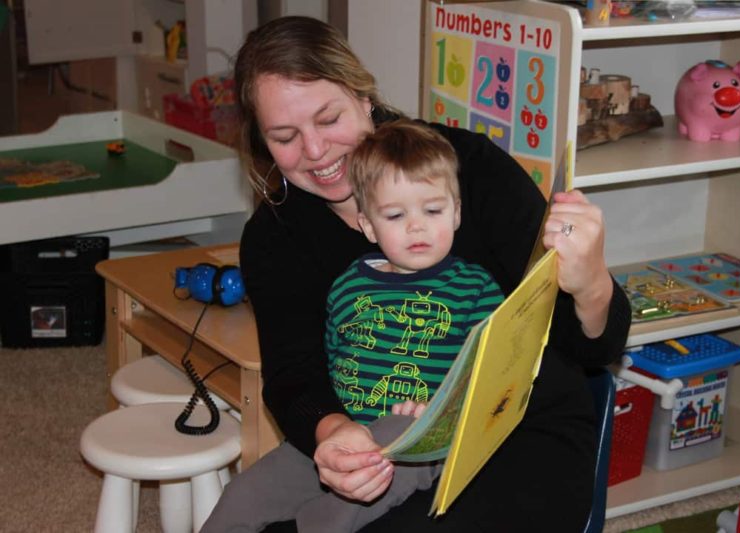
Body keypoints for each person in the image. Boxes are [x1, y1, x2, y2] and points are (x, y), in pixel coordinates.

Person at [204, 15, 631, 532]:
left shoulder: (465, 168)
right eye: (285, 136)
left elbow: (588, 350)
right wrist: (331, 431)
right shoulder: (275, 236)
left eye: (328, 117)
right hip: (375, 435)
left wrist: (589, 282)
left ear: (364, 98)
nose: (315, 151)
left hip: (518, 431)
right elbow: (293, 376)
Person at [203, 119, 505, 532]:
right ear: (367, 225)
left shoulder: (477, 289)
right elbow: (325, 364)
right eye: (395, 215)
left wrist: (441, 411)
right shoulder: (347, 285)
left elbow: (498, 369)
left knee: (336, 512)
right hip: (341, 439)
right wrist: (332, 432)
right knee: (241, 495)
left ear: (456, 213)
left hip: (416, 443)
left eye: (433, 210)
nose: (417, 226)